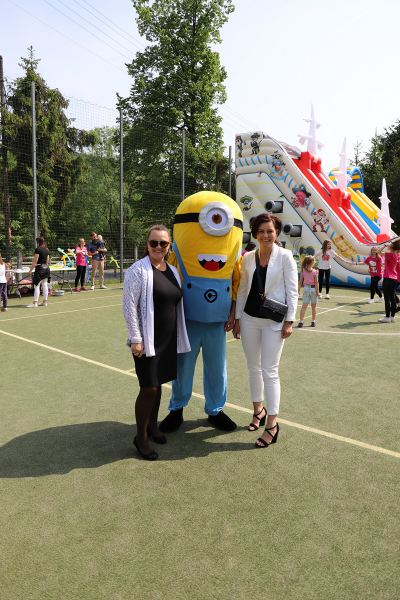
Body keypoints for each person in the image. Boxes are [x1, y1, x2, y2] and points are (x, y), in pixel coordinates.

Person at [159, 191, 243, 434]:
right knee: (183, 367)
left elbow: (236, 283)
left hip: (218, 321)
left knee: (217, 368)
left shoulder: (235, 259)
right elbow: (168, 280)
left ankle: (215, 410)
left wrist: (233, 313)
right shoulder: (175, 258)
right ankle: (177, 408)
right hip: (187, 319)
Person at [122, 225, 190, 461]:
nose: (159, 247)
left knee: (159, 383)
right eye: (154, 243)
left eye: (163, 243)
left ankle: (153, 426)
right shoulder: (137, 270)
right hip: (146, 340)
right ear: (147, 245)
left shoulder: (173, 270)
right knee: (149, 387)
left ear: (169, 246)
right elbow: (129, 306)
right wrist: (136, 339)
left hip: (168, 339)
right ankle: (140, 438)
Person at [233, 213, 298, 448]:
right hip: (249, 319)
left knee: (270, 371)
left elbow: (292, 291)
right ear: (255, 234)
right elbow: (242, 290)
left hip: (274, 321)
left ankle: (272, 425)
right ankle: (257, 411)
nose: (265, 235)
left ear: (276, 232)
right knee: (253, 367)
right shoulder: (248, 257)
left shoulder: (286, 257)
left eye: (269, 231)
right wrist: (238, 318)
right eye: (260, 231)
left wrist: (289, 321)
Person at [377, 240, 400, 323]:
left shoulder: (390, 254)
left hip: (388, 278)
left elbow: (378, 252)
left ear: (391, 247)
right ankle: (392, 317)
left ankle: (387, 317)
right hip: (394, 278)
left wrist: (385, 245)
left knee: (387, 299)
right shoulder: (397, 255)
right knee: (393, 298)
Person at [26, 237, 51, 308]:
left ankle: (35, 303)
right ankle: (44, 302)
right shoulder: (47, 250)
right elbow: (47, 261)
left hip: (40, 268)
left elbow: (35, 261)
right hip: (46, 268)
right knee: (45, 285)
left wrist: (30, 270)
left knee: (36, 285)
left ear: (38, 242)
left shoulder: (37, 250)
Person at [297, 255, 320, 327]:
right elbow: (316, 283)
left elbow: (300, 282)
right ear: (312, 262)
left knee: (304, 306)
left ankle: (301, 321)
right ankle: (313, 321)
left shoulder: (303, 271)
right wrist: (318, 292)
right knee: (314, 306)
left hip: (306, 289)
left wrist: (298, 291)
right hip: (313, 289)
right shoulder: (315, 272)